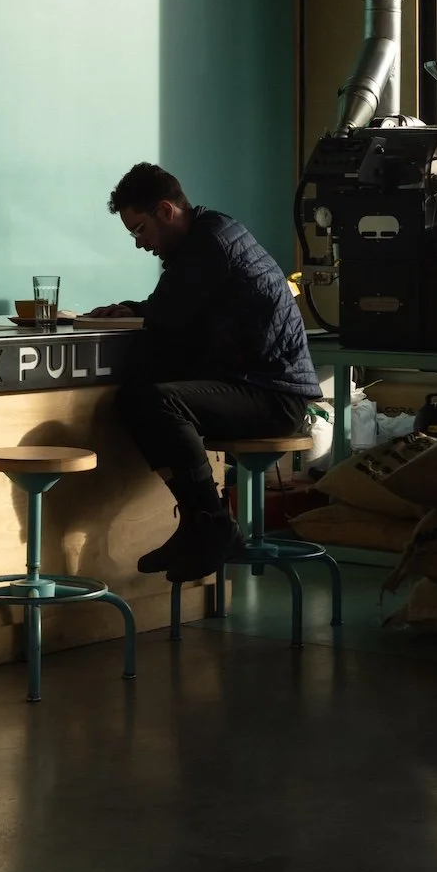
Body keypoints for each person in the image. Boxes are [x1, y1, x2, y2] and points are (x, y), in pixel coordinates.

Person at [89, 163, 321, 584]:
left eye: (140, 230)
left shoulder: (208, 244)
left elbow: (170, 319)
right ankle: (200, 523)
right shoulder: (210, 235)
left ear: (165, 210)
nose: (141, 245)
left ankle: (211, 524)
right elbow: (178, 309)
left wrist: (139, 313)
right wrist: (135, 310)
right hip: (258, 384)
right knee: (139, 398)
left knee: (152, 400)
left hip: (274, 393)